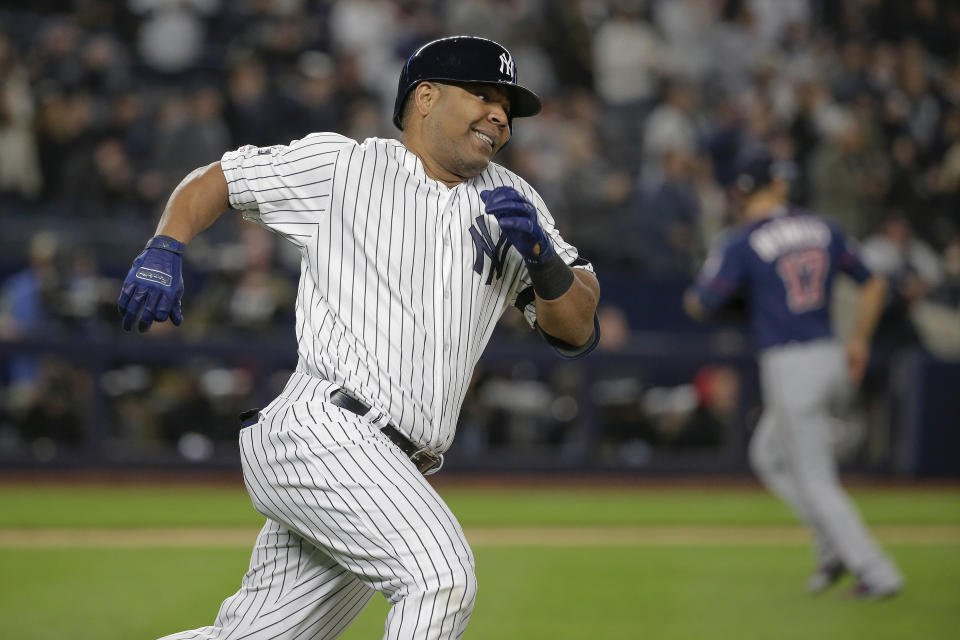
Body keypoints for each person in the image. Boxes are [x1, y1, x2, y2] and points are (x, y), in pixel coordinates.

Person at [117, 36, 600, 640]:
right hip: (323, 429)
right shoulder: (345, 166)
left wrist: (544, 261)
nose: (500, 116)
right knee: (438, 578)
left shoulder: (515, 200)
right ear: (425, 97)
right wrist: (166, 244)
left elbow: (578, 331)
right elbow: (217, 178)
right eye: (483, 95)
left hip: (394, 466)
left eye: (508, 106)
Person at [683, 147, 902, 599]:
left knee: (816, 478)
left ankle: (877, 572)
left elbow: (700, 304)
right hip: (831, 353)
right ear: (779, 184)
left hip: (790, 364)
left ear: (740, 192)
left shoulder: (741, 240)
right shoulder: (823, 226)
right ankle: (831, 549)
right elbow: (875, 282)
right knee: (768, 454)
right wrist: (859, 338)